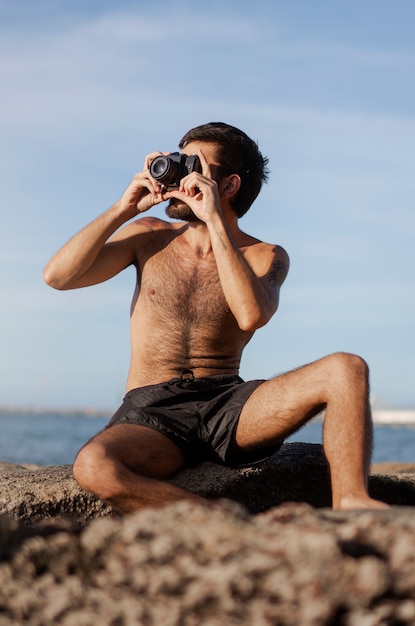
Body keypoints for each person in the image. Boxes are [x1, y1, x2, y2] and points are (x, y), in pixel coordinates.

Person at [43, 122, 387, 512]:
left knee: (346, 368)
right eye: (178, 158)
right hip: (153, 411)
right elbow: (58, 277)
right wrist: (123, 208)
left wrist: (214, 221)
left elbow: (251, 316)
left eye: (192, 165)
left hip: (229, 404)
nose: (177, 171)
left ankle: (353, 502)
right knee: (94, 466)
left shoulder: (266, 255)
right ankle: (223, 522)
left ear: (228, 186)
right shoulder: (149, 235)